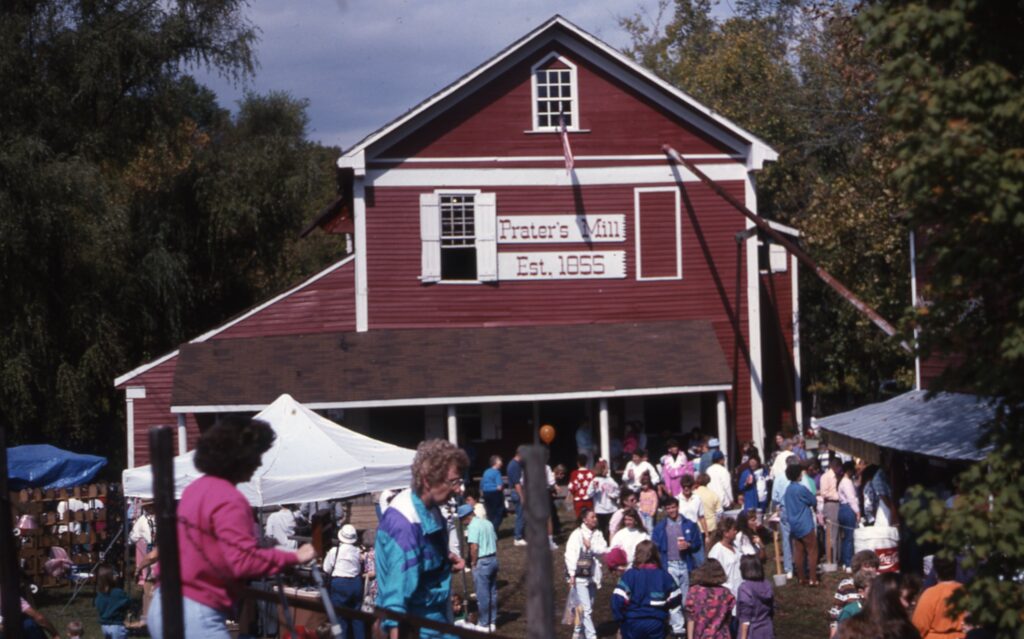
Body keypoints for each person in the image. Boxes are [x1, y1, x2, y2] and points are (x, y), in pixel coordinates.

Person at [147, 416, 315, 639]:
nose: (258, 463)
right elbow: (242, 561)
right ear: (239, 457)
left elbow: (211, 556)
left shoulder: (194, 490)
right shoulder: (230, 499)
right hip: (195, 613)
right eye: (256, 455)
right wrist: (295, 557)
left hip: (164, 605)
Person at [375, 439, 470, 639]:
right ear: (428, 481)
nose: (459, 489)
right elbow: (396, 595)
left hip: (436, 617)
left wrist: (446, 559)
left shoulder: (432, 510)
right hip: (414, 626)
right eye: (454, 482)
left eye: (460, 482)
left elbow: (423, 557)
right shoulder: (404, 524)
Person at [652, 497, 703, 637]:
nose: (671, 510)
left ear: (678, 507)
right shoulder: (661, 527)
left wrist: (689, 545)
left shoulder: (689, 524)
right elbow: (655, 544)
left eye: (673, 507)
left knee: (686, 598)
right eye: (668, 508)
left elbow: (698, 543)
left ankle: (689, 625)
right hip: (669, 565)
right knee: (673, 597)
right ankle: (678, 629)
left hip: (684, 564)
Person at [611, 540, 682, 639]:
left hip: (632, 623)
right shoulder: (664, 576)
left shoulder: (630, 575)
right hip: (656, 623)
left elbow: (618, 600)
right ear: (656, 555)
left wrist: (620, 620)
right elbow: (676, 598)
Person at [565, 508, 609, 639]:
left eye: (595, 517)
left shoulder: (598, 534)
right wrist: (571, 574)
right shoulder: (577, 534)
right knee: (587, 610)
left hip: (593, 576)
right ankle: (592, 636)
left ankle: (578, 631)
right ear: (585, 519)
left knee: (585, 607)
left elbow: (603, 549)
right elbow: (570, 554)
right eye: (592, 517)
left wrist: (591, 547)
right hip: (579, 577)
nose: (595, 519)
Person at [463, 503, 499, 633]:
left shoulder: (472, 526)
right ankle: (492, 621)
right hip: (493, 559)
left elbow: (474, 547)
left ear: (466, 518)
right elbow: (495, 540)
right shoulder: (488, 523)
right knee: (492, 593)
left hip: (482, 561)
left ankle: (484, 623)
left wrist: (473, 562)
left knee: (482, 595)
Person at [324, 524, 365, 639]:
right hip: (355, 583)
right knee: (357, 617)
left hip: (340, 583)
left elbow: (326, 568)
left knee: (339, 617)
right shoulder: (357, 551)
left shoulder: (334, 551)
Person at [827, 550, 880, 637]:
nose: (870, 569)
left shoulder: (879, 584)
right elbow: (836, 611)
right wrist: (833, 633)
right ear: (857, 567)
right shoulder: (846, 585)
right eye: (867, 566)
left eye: (873, 566)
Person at [912, 556, 966, 639]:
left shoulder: (930, 594)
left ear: (935, 572)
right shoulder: (966, 593)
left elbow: (918, 627)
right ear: (955, 569)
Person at [783, 463, 819, 586]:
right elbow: (813, 500)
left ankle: (801, 578)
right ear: (798, 475)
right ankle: (813, 579)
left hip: (794, 524)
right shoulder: (801, 489)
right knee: (812, 551)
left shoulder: (788, 490)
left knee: (798, 552)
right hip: (805, 523)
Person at [685, 559, 735, 639]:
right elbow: (728, 619)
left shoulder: (694, 591)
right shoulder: (725, 593)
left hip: (701, 634)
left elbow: (691, 618)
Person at [707, 517, 742, 609]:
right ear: (726, 533)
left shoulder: (735, 546)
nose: (736, 532)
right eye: (733, 530)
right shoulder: (716, 552)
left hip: (740, 590)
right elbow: (713, 576)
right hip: (728, 594)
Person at [736, 555, 774, 639]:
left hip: (751, 632)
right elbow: (771, 610)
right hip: (767, 629)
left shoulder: (744, 588)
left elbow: (745, 619)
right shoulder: (767, 585)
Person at [95, 563, 130, 639]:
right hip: (116, 625)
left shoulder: (100, 594)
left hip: (104, 626)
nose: (117, 575)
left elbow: (98, 606)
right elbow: (128, 602)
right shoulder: (118, 593)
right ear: (109, 577)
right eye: (114, 573)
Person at [677, 475, 707, 565]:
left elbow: (701, 517)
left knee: (700, 560)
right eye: (684, 486)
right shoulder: (677, 499)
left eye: (689, 486)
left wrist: (707, 535)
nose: (686, 488)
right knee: (684, 560)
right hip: (681, 531)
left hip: (694, 530)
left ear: (692, 486)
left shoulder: (697, 499)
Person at [587, 459, 620, 540]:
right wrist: (594, 488)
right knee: (601, 529)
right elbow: (589, 494)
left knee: (611, 528)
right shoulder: (595, 480)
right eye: (606, 468)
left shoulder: (610, 479)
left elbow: (617, 490)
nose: (608, 470)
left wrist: (614, 495)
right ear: (601, 469)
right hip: (600, 510)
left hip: (612, 508)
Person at [506, 446, 526, 546]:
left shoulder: (517, 464)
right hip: (517, 492)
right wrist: (522, 496)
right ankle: (517, 537)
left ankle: (521, 534)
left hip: (517, 492)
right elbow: (516, 483)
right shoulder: (514, 465)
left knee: (522, 514)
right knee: (520, 515)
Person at [695, 473, 723, 543]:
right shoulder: (713, 494)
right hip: (712, 525)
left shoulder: (694, 494)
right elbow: (719, 512)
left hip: (698, 526)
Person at [480, 455, 505, 533]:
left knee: (490, 514)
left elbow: (482, 483)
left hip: (486, 493)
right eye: (500, 461)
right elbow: (499, 487)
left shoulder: (486, 471)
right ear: (495, 463)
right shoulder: (497, 472)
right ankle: (492, 530)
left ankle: (492, 531)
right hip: (495, 494)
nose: (501, 462)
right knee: (499, 513)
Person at [568, 455, 595, 520]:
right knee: (589, 517)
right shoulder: (591, 473)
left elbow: (572, 487)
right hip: (589, 499)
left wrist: (572, 493)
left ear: (578, 463)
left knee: (579, 518)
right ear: (586, 462)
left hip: (578, 500)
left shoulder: (574, 473)